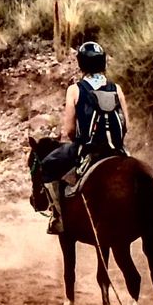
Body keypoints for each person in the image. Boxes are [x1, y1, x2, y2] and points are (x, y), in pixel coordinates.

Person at [37, 41, 130, 234]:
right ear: (103, 62)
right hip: (117, 149)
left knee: (47, 164)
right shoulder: (116, 88)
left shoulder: (75, 90)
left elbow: (69, 129)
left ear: (81, 64)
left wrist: (76, 139)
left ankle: (58, 217)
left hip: (87, 148)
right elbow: (126, 125)